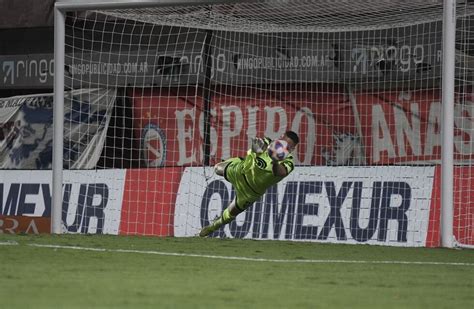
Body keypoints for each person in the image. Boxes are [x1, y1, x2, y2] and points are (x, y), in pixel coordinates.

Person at [199, 130, 300, 237]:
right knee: (217, 168)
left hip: (250, 192)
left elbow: (281, 172)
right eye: (282, 142)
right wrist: (256, 146)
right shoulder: (268, 143)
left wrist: (275, 161)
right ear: (280, 138)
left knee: (230, 214)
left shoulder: (288, 161)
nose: (283, 147)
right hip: (241, 172)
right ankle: (239, 161)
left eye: (288, 147)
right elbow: (259, 144)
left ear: (292, 149)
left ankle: (213, 227)